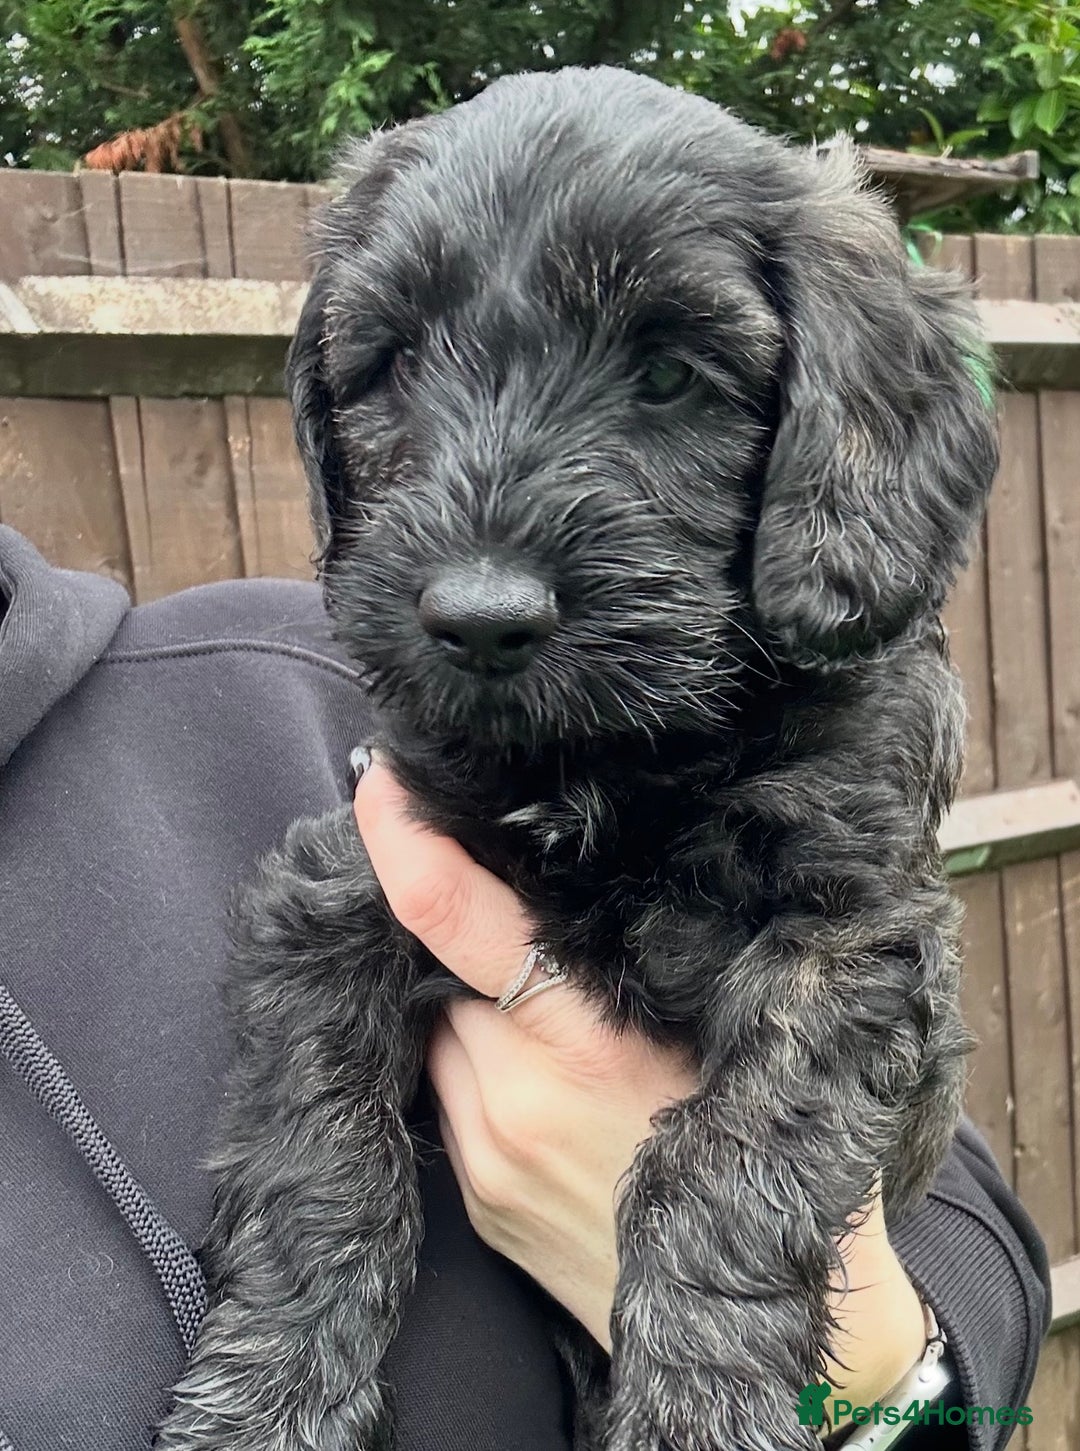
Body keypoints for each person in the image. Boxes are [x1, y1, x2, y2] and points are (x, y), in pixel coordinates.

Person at [0, 524, 1050, 1451]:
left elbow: (963, 1209)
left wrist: (880, 1385)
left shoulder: (301, 677)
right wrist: (300, 1319)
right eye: (408, 373)